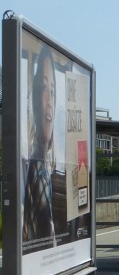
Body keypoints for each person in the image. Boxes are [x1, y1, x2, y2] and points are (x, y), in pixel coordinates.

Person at [22, 44, 58, 247]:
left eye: (52, 92)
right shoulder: (37, 170)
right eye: (44, 89)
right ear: (34, 97)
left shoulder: (43, 165)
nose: (49, 101)